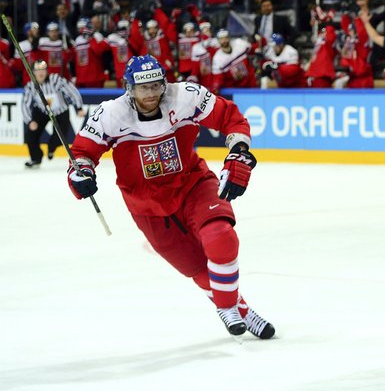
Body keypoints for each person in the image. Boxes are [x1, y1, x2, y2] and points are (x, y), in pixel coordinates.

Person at [66, 55, 275, 339]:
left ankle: (226, 307)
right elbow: (82, 153)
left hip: (192, 183)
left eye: (156, 85)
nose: (151, 94)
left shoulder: (185, 96)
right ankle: (242, 310)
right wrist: (81, 174)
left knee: (221, 237)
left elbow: (230, 118)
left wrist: (239, 151)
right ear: (129, 88)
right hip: (147, 205)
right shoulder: (110, 114)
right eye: (143, 88)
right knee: (197, 268)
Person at [22, 60, 84, 167]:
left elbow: (71, 91)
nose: (40, 73)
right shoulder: (30, 86)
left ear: (46, 71)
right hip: (42, 111)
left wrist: (78, 107)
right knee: (30, 135)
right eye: (37, 70)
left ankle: (51, 148)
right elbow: (25, 104)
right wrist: (30, 121)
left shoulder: (55, 79)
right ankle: (36, 158)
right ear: (33, 72)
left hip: (61, 111)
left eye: (43, 70)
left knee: (60, 137)